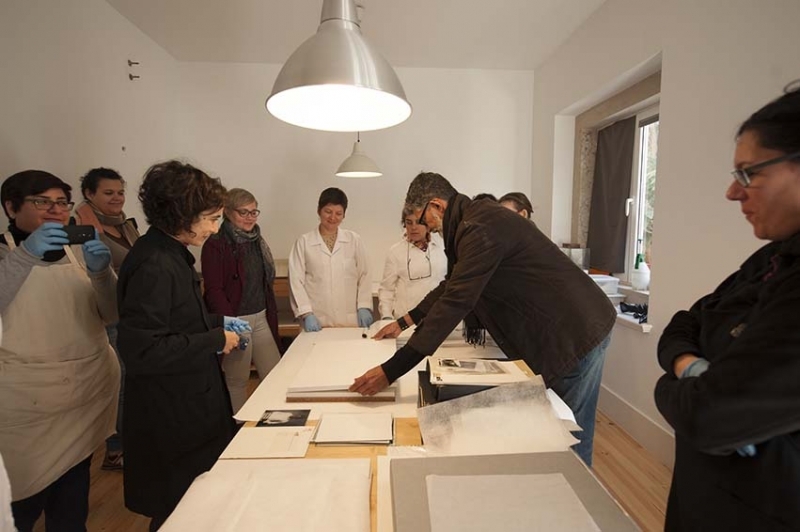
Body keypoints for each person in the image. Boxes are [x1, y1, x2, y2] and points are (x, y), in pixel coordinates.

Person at [350, 172, 616, 466]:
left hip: (576, 332)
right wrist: (403, 322)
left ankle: (576, 491)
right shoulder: (474, 221)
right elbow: (451, 286)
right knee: (557, 430)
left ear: (436, 205)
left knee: (568, 434)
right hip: (567, 327)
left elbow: (455, 302)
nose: (428, 228)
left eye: (425, 220)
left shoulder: (480, 228)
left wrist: (390, 371)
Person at [654, 85, 800, 530]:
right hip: (707, 493)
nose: (732, 193)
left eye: (748, 173)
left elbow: (709, 416)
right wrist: (691, 367)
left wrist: (669, 383)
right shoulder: (772, 257)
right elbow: (685, 322)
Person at [117, 161, 246, 530]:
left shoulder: (169, 252)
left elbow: (176, 319)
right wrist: (215, 339)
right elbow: (144, 351)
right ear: (181, 213)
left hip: (187, 404)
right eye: (211, 218)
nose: (215, 228)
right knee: (178, 511)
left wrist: (216, 324)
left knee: (195, 505)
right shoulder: (155, 263)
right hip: (170, 415)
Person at [0, 170, 119, 531]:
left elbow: (111, 314)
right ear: (11, 208)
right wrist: (25, 256)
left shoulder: (77, 251)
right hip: (27, 407)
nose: (55, 211)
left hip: (84, 398)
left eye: (61, 203)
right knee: (20, 506)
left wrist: (102, 274)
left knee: (70, 507)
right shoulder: (4, 252)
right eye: (42, 202)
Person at [74, 166, 140, 471]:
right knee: (119, 385)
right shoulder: (83, 229)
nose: (116, 198)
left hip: (133, 313)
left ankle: (133, 441)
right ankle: (115, 450)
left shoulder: (126, 226)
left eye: (120, 192)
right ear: (89, 194)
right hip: (109, 316)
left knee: (133, 382)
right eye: (108, 193)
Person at [201, 188, 284, 415]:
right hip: (237, 320)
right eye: (243, 212)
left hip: (261, 317)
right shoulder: (215, 244)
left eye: (253, 212)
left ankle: (276, 421)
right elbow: (214, 290)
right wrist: (230, 323)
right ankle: (237, 425)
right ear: (228, 212)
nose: (250, 218)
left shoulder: (256, 239)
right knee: (237, 378)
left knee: (275, 373)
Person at [289, 187, 373, 331]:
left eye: (338, 213)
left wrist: (364, 306)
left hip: (350, 320)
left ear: (344, 215)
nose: (333, 218)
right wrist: (306, 313)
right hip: (317, 320)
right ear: (319, 211)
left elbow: (365, 274)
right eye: (328, 211)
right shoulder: (304, 242)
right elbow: (296, 281)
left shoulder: (354, 240)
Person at [378, 204, 447, 319]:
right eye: (409, 223)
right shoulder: (395, 252)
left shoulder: (443, 246)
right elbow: (387, 290)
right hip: (408, 319)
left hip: (440, 317)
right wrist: (386, 316)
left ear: (428, 225)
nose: (413, 227)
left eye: (419, 222)